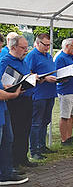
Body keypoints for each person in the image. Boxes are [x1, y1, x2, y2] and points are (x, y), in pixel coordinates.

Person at [0, 35, 39, 169]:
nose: (26, 50)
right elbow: (3, 82)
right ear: (13, 47)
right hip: (14, 101)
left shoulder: (23, 60)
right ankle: (13, 162)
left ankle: (23, 157)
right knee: (15, 131)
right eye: (22, 48)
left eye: (26, 47)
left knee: (25, 129)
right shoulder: (5, 61)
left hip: (27, 98)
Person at [25, 33, 57, 160]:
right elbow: (28, 73)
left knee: (45, 121)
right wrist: (43, 78)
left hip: (50, 92)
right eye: (45, 45)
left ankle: (42, 145)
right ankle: (34, 150)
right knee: (36, 123)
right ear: (37, 43)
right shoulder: (32, 56)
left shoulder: (48, 56)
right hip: (38, 94)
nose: (48, 47)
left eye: (49, 45)